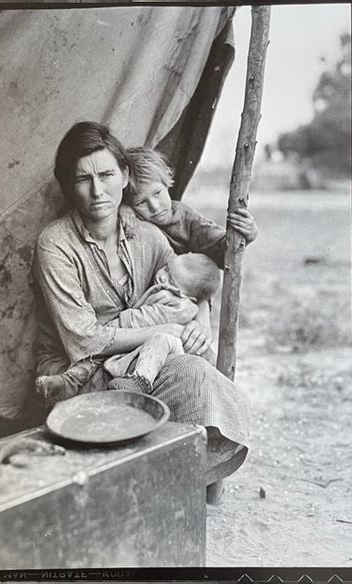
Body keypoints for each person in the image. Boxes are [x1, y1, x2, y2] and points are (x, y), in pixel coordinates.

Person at [31, 121, 251, 501]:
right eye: (83, 180)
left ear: (124, 176)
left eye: (106, 174)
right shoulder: (55, 245)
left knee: (201, 358)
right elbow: (83, 339)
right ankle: (149, 484)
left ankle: (163, 482)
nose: (97, 190)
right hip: (79, 372)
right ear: (68, 187)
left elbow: (187, 282)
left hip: (138, 362)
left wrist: (200, 319)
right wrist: (169, 332)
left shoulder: (146, 233)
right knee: (192, 371)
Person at [36, 252, 221, 402]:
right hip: (140, 343)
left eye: (170, 280)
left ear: (189, 297)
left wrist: (120, 323)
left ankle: (139, 381)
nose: (161, 276)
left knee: (157, 341)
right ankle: (68, 382)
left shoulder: (180, 306)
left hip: (157, 348)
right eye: (166, 268)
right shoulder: (174, 288)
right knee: (94, 358)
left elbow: (146, 318)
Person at [125, 146, 258, 267]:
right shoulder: (129, 218)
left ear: (166, 183)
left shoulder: (187, 218)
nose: (154, 207)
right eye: (141, 202)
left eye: (157, 193)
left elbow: (220, 249)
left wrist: (246, 235)